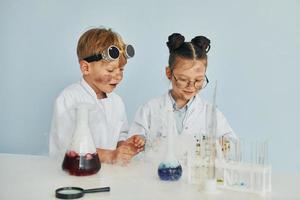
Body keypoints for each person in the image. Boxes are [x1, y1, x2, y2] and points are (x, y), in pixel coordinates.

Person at [129, 33, 236, 158]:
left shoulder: (209, 112)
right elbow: (131, 143)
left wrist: (222, 144)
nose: (191, 86)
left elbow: (232, 144)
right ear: (169, 73)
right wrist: (139, 140)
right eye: (183, 79)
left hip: (196, 176)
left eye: (198, 80)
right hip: (156, 174)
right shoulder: (150, 109)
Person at [49, 27, 144, 164]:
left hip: (108, 174)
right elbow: (66, 146)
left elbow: (121, 133)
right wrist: (109, 156)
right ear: (86, 68)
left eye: (121, 69)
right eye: (110, 70)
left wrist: (124, 146)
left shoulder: (116, 101)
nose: (118, 75)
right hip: (75, 173)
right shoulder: (69, 98)